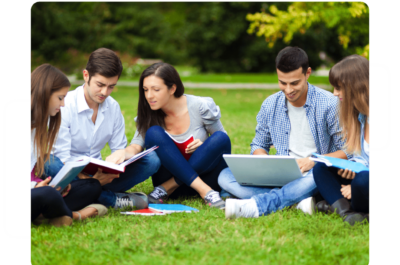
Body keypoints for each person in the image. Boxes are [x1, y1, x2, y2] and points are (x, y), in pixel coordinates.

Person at [220, 46, 350, 218]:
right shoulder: (270, 104)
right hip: (281, 173)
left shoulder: (329, 104)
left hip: (314, 173)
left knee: (316, 175)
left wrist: (313, 160)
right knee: (225, 176)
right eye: (283, 82)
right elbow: (259, 144)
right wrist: (263, 162)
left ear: (307, 73)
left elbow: (347, 150)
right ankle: (297, 201)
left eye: (294, 83)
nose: (288, 90)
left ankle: (258, 206)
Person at [107, 63, 231, 209]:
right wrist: (123, 152)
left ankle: (169, 186)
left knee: (220, 138)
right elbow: (136, 146)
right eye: (145, 90)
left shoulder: (200, 106)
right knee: (153, 133)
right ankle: (205, 192)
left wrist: (205, 145)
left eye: (156, 90)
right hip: (173, 188)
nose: (149, 96)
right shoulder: (148, 115)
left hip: (203, 179)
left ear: (172, 88)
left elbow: (222, 142)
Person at [51, 48, 160, 209]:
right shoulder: (65, 105)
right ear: (86, 75)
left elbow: (119, 150)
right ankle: (111, 199)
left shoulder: (113, 107)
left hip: (100, 175)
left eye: (111, 86)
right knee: (51, 164)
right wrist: (90, 181)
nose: (104, 92)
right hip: (71, 175)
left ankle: (91, 193)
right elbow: (62, 158)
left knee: (152, 161)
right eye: (100, 85)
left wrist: (119, 161)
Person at [30, 64, 105, 227]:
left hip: (34, 192)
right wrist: (34, 186)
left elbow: (30, 170)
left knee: (91, 186)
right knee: (47, 194)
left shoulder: (37, 127)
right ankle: (73, 215)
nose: (63, 104)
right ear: (44, 94)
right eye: (60, 97)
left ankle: (45, 213)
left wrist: (44, 184)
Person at [312, 55, 370, 225]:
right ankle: (347, 213)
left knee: (363, 181)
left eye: (339, 88)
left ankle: (336, 206)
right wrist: (354, 166)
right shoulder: (360, 117)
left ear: (357, 86)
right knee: (322, 167)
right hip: (364, 181)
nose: (335, 94)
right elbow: (363, 157)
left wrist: (358, 179)